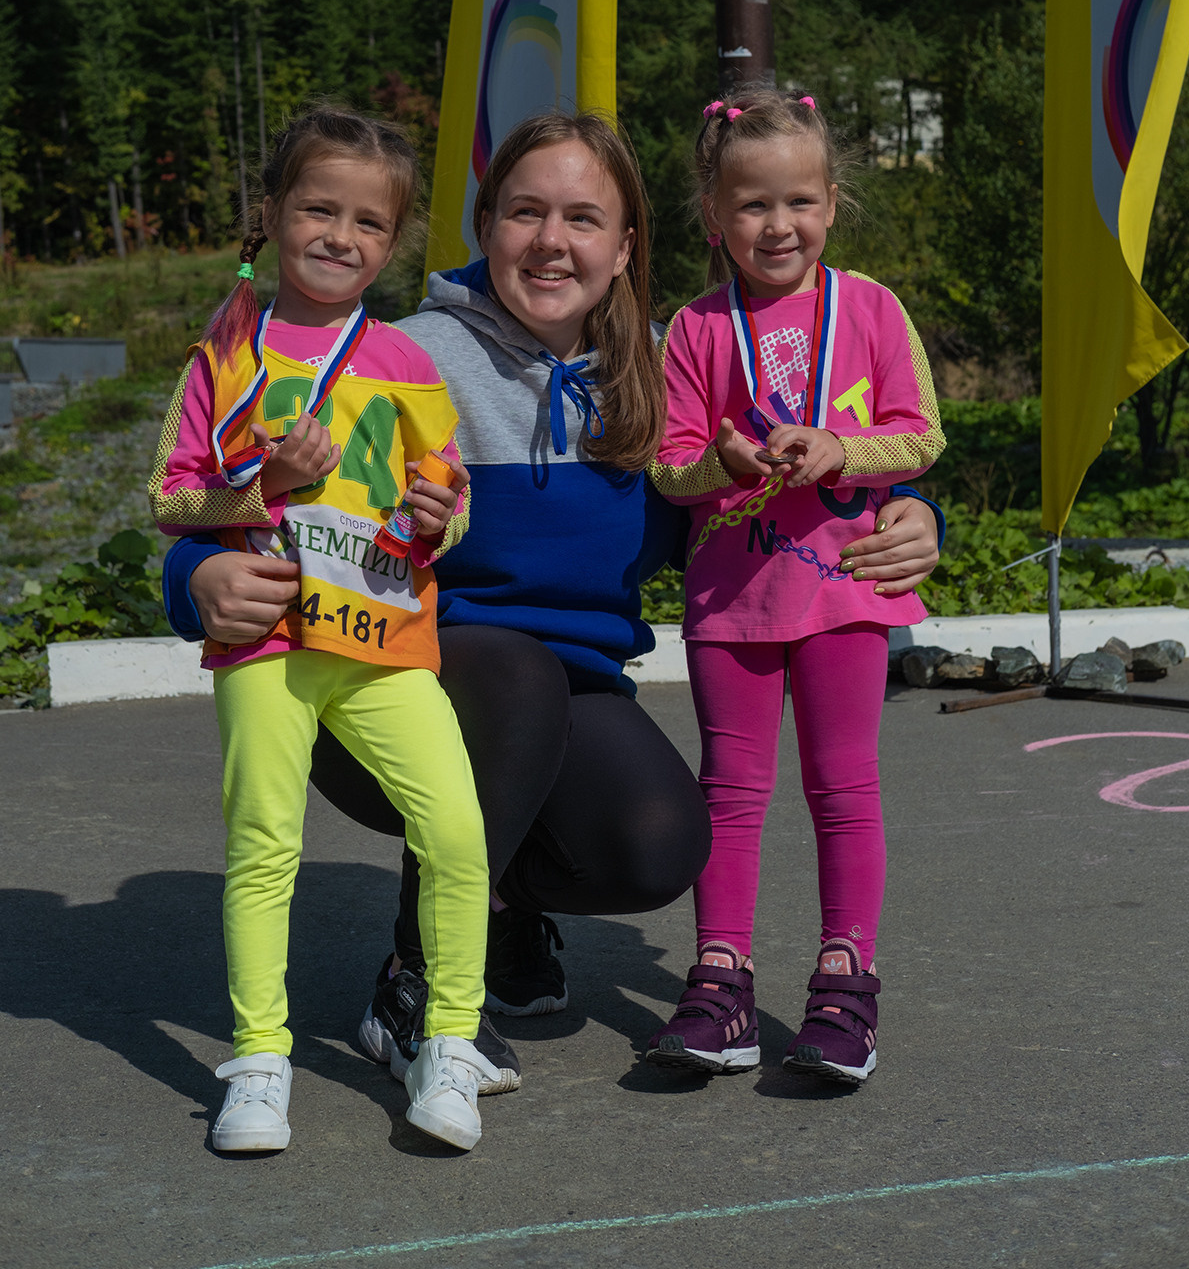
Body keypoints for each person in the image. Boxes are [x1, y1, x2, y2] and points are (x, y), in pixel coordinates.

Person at [161, 110, 944, 1091]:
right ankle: (411, 985)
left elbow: (797, 465)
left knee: (663, 843)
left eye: (583, 218)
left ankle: (495, 903)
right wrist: (192, 579)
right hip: (387, 689)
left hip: (567, 703)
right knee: (516, 673)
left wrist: (914, 513)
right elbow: (235, 499)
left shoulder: (673, 366)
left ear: (624, 248)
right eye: (525, 211)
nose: (551, 240)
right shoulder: (402, 357)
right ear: (486, 225)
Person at [148, 107, 497, 1155]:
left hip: (385, 642)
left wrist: (441, 516)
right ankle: (258, 1060)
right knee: (264, 846)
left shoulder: (406, 359)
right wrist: (265, 483)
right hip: (269, 641)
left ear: (393, 243)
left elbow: (448, 491)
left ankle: (448, 1044)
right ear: (270, 214)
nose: (341, 237)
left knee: (459, 835)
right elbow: (173, 496)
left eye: (368, 223)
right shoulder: (225, 351)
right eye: (318, 209)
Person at [645, 88, 945, 1086]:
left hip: (845, 588)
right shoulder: (692, 328)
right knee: (727, 794)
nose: (781, 225)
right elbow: (669, 463)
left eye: (801, 202)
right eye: (755, 206)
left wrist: (841, 449)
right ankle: (722, 984)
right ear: (714, 217)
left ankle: (844, 982)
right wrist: (723, 467)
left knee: (843, 788)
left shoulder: (870, 309)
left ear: (832, 203)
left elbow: (921, 433)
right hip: (731, 598)